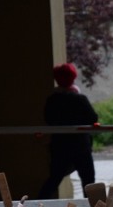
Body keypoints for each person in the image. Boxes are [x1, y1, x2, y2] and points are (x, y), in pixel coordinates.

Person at [38, 63, 99, 199]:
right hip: (81, 145)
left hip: (60, 145)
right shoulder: (80, 99)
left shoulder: (52, 100)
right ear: (73, 78)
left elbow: (49, 119)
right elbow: (93, 118)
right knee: (88, 179)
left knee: (54, 178)